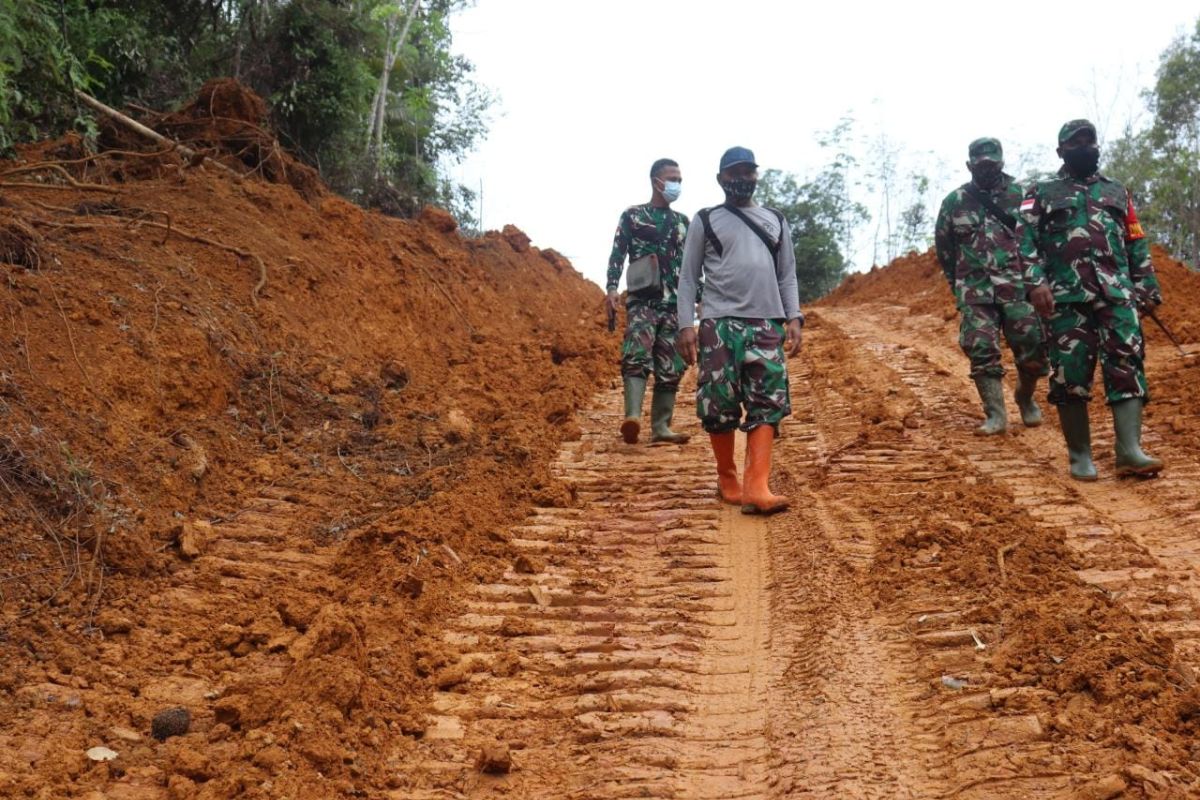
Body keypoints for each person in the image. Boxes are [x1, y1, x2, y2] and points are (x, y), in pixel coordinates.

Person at [1018, 119, 1164, 480]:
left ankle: (1129, 451)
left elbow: (1135, 240)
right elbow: (1023, 241)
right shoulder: (1041, 191)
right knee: (1071, 373)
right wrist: (1036, 283)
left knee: (1127, 364)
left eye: (1090, 141)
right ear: (1061, 151)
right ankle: (1079, 456)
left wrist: (1145, 284)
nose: (1086, 147)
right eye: (1076, 142)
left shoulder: (1117, 192)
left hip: (1117, 293)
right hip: (1066, 297)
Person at [676, 147, 803, 514]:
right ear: (720, 179)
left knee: (769, 401)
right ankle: (727, 477)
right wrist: (687, 325)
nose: (742, 179)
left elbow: (787, 274)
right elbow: (688, 278)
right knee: (719, 403)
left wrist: (793, 317)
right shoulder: (706, 219)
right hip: (719, 322)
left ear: (756, 176)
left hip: (767, 322)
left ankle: (757, 486)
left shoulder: (775, 219)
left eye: (748, 172)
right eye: (734, 173)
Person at [934, 137, 1049, 435]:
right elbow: (945, 250)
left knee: (1034, 350)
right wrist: (958, 285)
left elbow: (1041, 240)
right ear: (969, 165)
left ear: (1002, 162)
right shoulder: (954, 202)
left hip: (1019, 288)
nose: (987, 169)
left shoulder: (1023, 195)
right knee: (981, 348)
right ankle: (996, 415)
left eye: (992, 164)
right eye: (981, 164)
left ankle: (1024, 396)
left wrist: (1039, 281)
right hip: (976, 292)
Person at [606, 158, 692, 445]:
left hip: (675, 303)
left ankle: (661, 427)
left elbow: (692, 265)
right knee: (636, 355)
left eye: (679, 179)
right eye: (672, 178)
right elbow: (618, 252)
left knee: (671, 364)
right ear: (656, 180)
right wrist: (611, 287)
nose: (676, 184)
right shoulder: (633, 215)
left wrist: (700, 297)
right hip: (643, 299)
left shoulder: (683, 222)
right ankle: (632, 417)